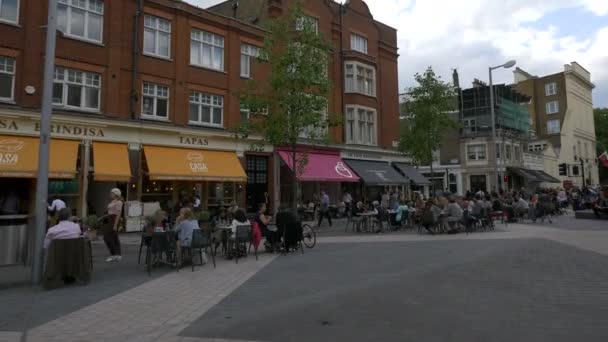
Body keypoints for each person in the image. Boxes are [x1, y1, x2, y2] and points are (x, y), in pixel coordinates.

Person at [104, 188, 123, 262]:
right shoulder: (112, 201)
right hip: (109, 218)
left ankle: (113, 254)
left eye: (111, 193)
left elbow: (118, 214)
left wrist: (115, 224)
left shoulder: (119, 202)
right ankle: (118, 255)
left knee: (107, 237)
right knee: (115, 237)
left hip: (114, 219)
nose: (110, 194)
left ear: (116, 194)